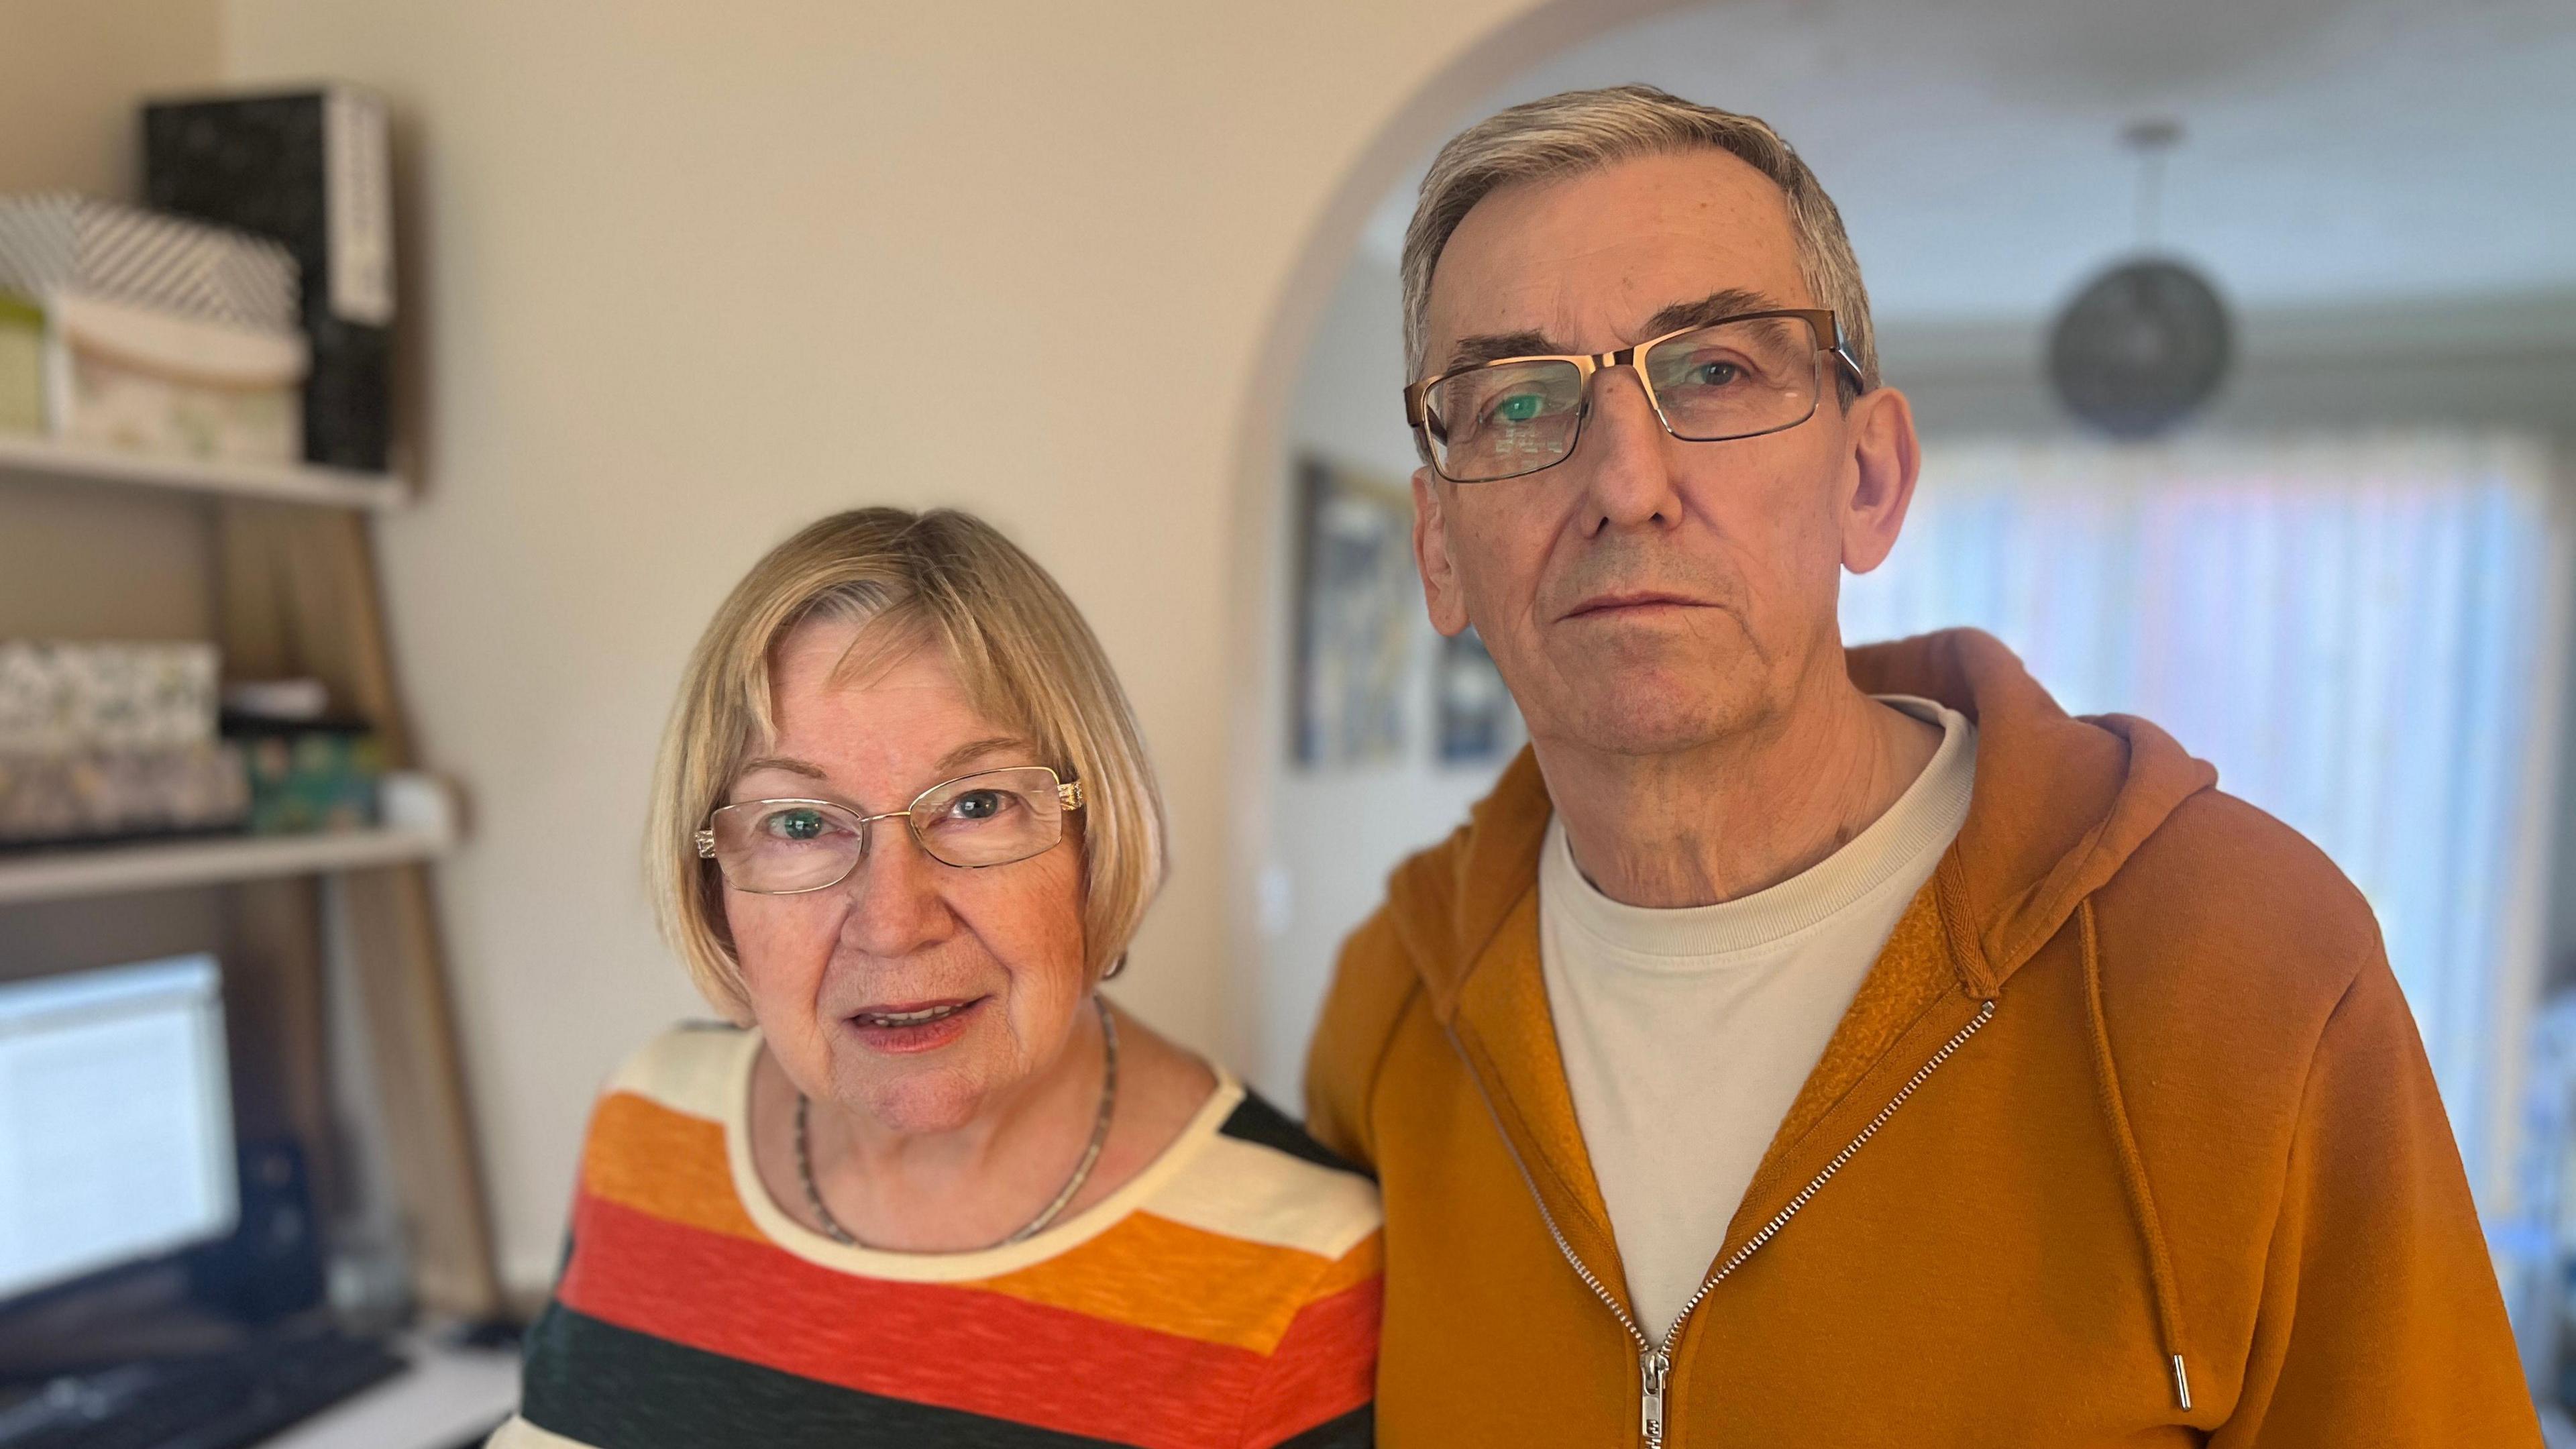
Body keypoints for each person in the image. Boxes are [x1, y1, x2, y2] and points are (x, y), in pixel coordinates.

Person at [1305, 85, 2535, 1445]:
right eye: (1519, 401)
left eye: (1715, 371)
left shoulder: (2250, 967)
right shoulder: (1394, 1015)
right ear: (1436, 547)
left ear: (1871, 480)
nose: (1626, 481)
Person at [494, 508, 1379, 1448]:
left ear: (1096, 833)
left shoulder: (1297, 1268)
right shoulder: (649, 1120)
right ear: (714, 884)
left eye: (977, 804)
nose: (895, 920)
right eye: (799, 824)